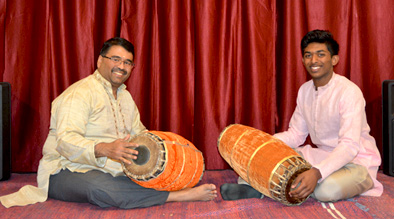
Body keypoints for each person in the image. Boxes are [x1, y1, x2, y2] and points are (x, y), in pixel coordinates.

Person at [0, 37, 217, 209]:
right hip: (65, 171)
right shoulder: (79, 94)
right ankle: (177, 196)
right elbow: (65, 142)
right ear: (100, 60)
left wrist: (164, 155)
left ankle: (158, 189)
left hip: (114, 168)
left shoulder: (125, 97)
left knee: (159, 176)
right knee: (103, 191)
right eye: (115, 59)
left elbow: (139, 132)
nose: (121, 66)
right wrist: (105, 149)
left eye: (127, 62)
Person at [221, 29, 383, 202]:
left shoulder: (349, 92)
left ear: (334, 59)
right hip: (322, 155)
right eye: (308, 55)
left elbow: (350, 146)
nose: (313, 60)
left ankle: (289, 186)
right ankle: (254, 188)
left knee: (326, 191)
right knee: (268, 159)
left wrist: (316, 172)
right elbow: (296, 134)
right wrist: (264, 144)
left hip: (357, 162)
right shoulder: (305, 90)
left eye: (321, 54)